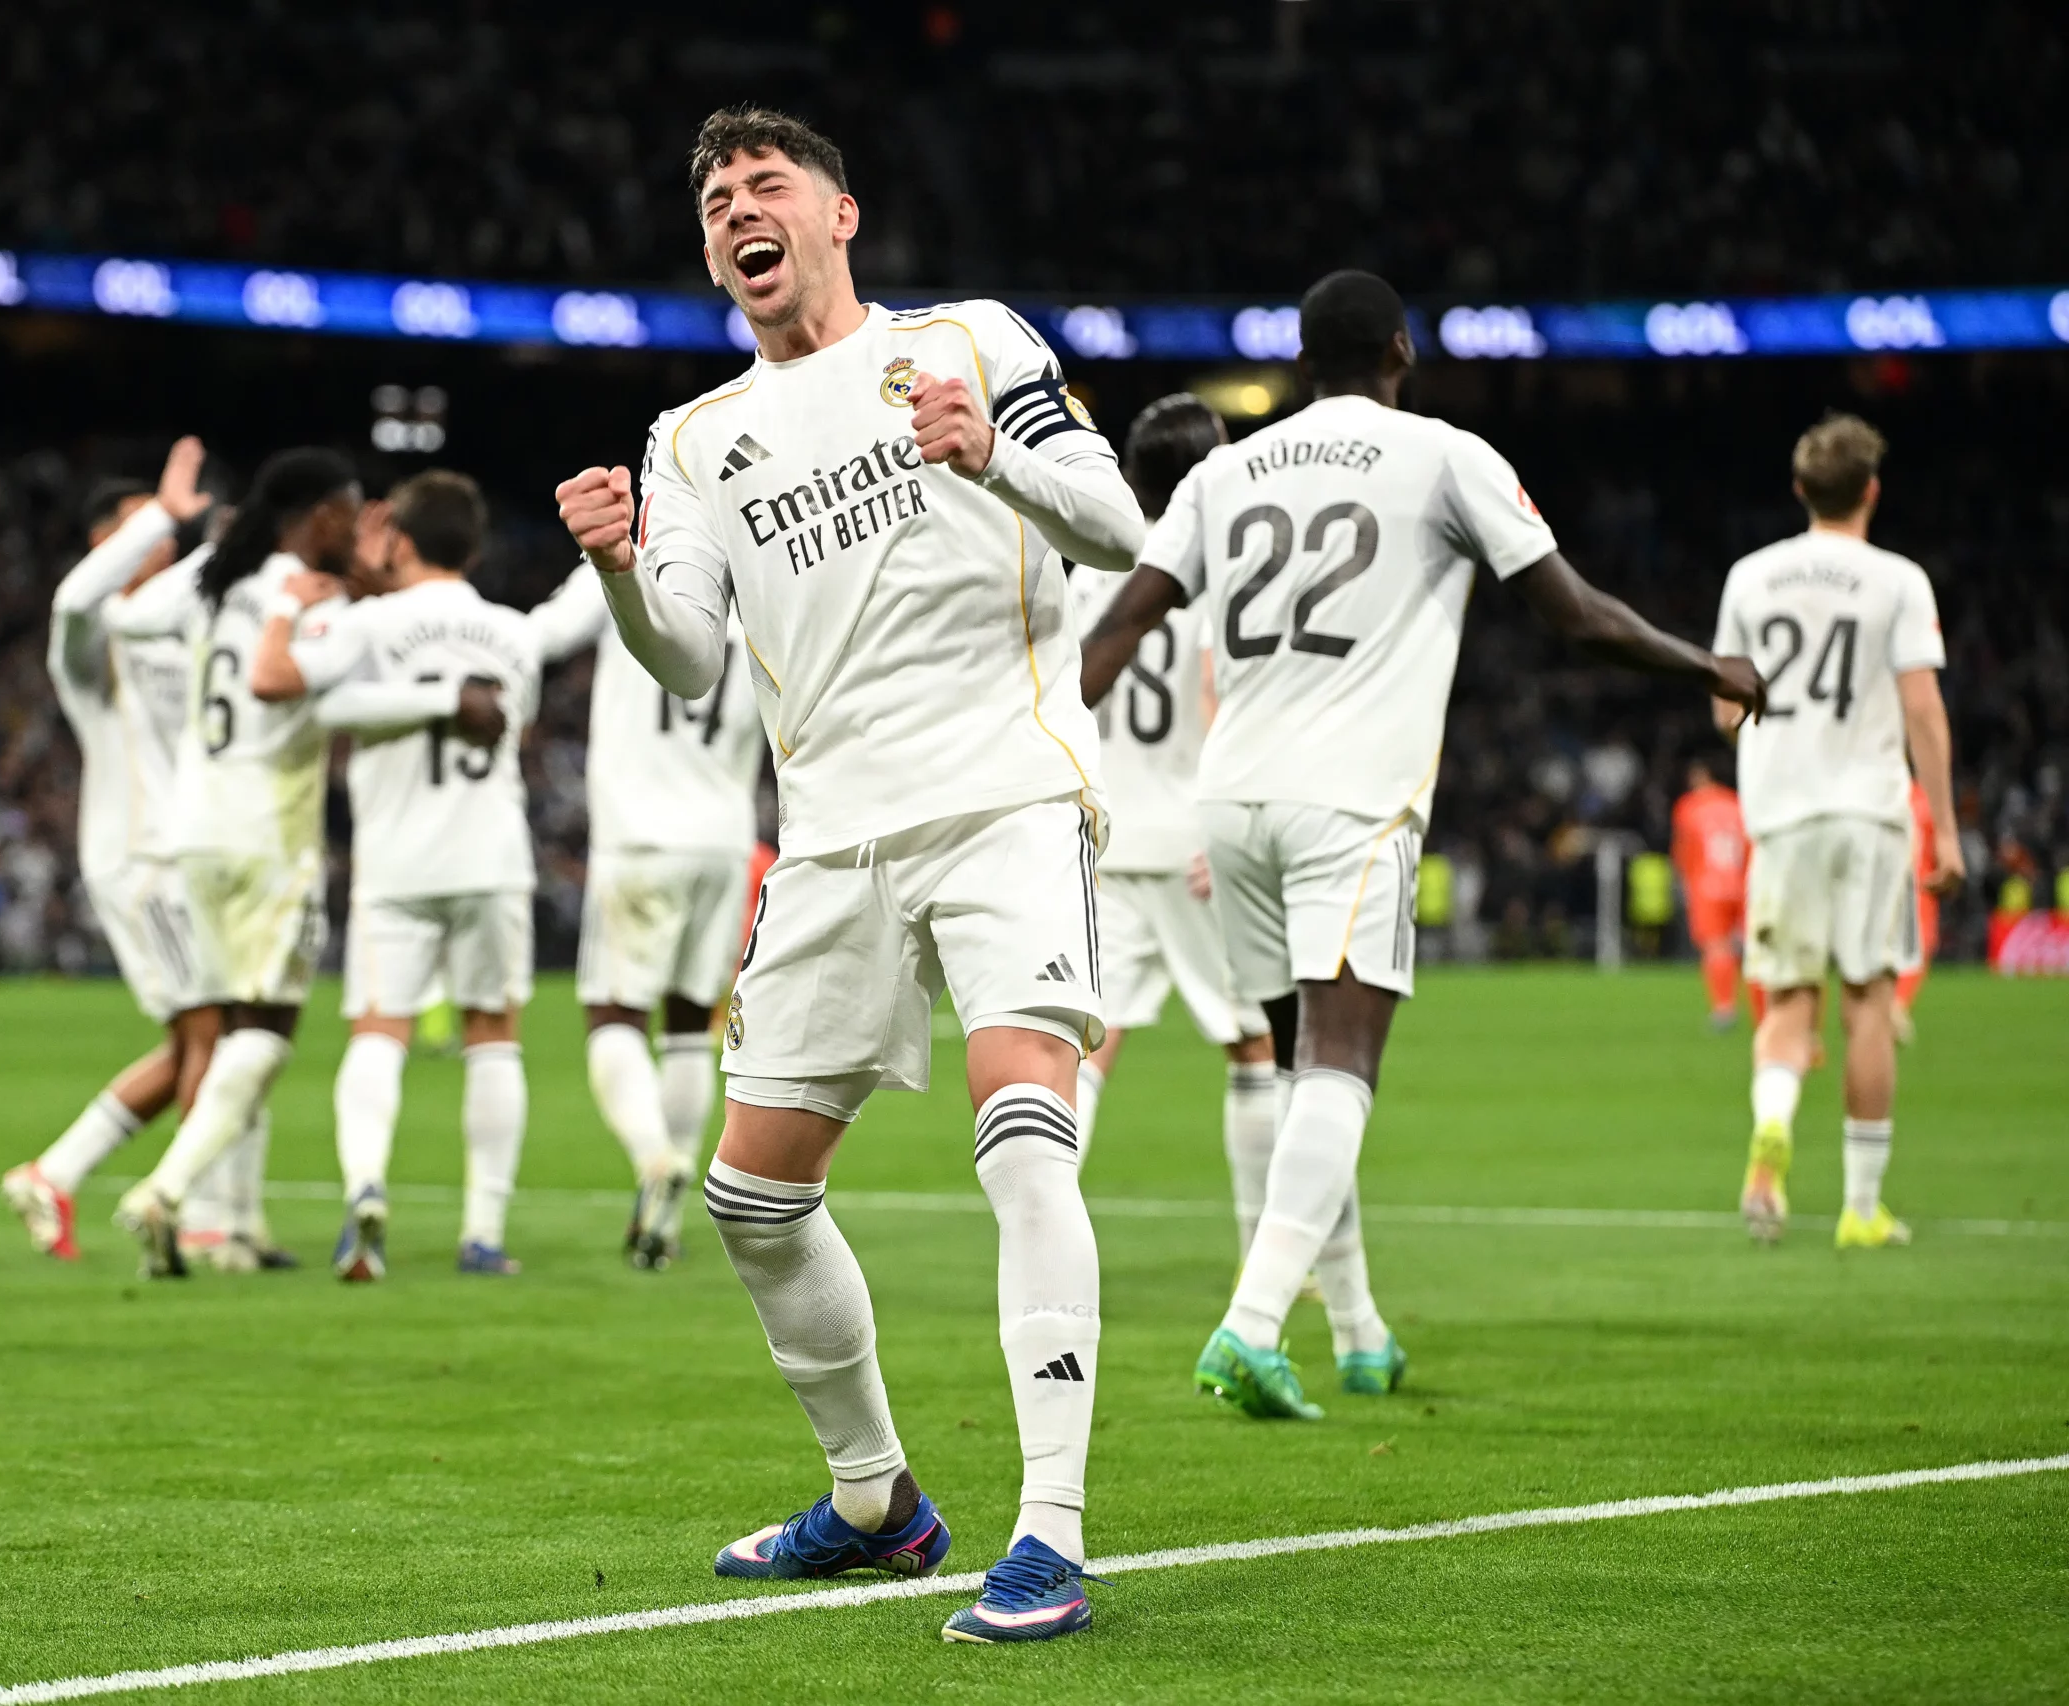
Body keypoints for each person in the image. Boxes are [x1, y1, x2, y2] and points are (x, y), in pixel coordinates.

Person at [556, 106, 1147, 1644]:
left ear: (840, 213)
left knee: (1024, 1140)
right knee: (752, 1195)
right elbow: (687, 657)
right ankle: (877, 1499)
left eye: (765, 185)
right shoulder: (692, 438)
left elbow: (1120, 526)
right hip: (830, 837)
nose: (736, 211)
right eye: (714, 202)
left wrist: (993, 451)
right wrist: (618, 570)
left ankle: (1052, 1533)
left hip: (1008, 794)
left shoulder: (969, 340)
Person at [1080, 269, 1764, 1421]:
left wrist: (1028, 754)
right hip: (1350, 801)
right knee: (1339, 1065)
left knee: (1299, 1073)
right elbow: (1576, 614)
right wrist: (1709, 665)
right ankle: (1253, 1324)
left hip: (1229, 804)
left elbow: (1119, 625)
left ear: (1304, 362)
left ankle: (1356, 1329)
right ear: (1400, 349)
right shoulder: (1447, 455)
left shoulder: (1220, 472)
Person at [249, 471, 537, 1278]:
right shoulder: (515, 633)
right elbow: (515, 727)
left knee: (379, 1033)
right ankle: (483, 1234)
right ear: (473, 548)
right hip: (493, 856)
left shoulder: (368, 625)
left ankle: (366, 1192)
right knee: (493, 1038)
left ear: (397, 540)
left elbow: (292, 689)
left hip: (397, 861)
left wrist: (328, 602)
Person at [1, 443, 280, 1266]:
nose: (160, 543)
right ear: (105, 543)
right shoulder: (92, 646)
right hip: (141, 858)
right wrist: (164, 510)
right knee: (213, 1034)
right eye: (138, 532)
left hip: (191, 851)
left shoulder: (176, 627)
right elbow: (73, 600)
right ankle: (199, 1215)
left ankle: (53, 1174)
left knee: (207, 1038)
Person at [1067, 395, 1312, 1293]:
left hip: (1105, 838)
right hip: (1195, 842)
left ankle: (1043, 1237)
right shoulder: (1215, 565)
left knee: (1088, 1050)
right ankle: (1266, 1260)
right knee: (1251, 1044)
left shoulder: (1090, 572)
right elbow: (1219, 698)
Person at [102, 448, 360, 1277]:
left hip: (194, 831)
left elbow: (127, 619)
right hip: (269, 835)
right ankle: (169, 1192)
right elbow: (281, 680)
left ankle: (234, 1225)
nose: (357, 529)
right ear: (321, 516)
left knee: (234, 1035)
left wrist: (210, 562)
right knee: (265, 1033)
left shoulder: (217, 577)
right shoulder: (314, 598)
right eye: (351, 512)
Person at [1718, 414, 1961, 1248]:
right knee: (1868, 1003)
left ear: (1800, 490)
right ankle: (1860, 1208)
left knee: (1788, 1003)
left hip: (1781, 815)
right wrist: (1948, 832)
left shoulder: (1750, 577)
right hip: (1869, 815)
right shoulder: (1899, 581)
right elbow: (1923, 709)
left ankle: (1772, 1127)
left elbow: (1724, 709)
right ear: (1872, 492)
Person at [527, 557, 764, 1269]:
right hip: (724, 841)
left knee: (614, 1016)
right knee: (690, 1023)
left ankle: (655, 1158)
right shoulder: (757, 579)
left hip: (638, 836)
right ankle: (672, 1202)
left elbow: (541, 636)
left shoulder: (622, 563)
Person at [1671, 757, 1751, 1030]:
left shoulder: (1690, 806)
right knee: (1752, 949)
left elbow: (1685, 847)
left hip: (1706, 884)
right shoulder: (1737, 804)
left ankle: (1724, 1008)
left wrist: (1684, 879)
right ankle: (1764, 1014)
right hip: (1741, 883)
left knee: (1716, 947)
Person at [1894, 775, 1938, 1042]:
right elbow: (1934, 847)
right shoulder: (1924, 798)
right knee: (1919, 948)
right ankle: (1898, 1005)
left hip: (1882, 884)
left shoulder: (1881, 789)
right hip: (1917, 886)